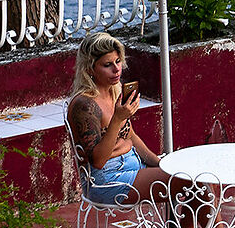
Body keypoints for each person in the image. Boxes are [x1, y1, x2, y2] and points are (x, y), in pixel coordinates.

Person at [67, 31, 168, 205]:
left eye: (118, 61)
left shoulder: (116, 90)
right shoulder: (85, 105)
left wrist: (159, 163)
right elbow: (98, 161)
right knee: (190, 181)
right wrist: (117, 119)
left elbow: (131, 136)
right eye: (107, 65)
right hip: (106, 180)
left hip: (133, 165)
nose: (116, 69)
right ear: (90, 68)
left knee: (191, 176)